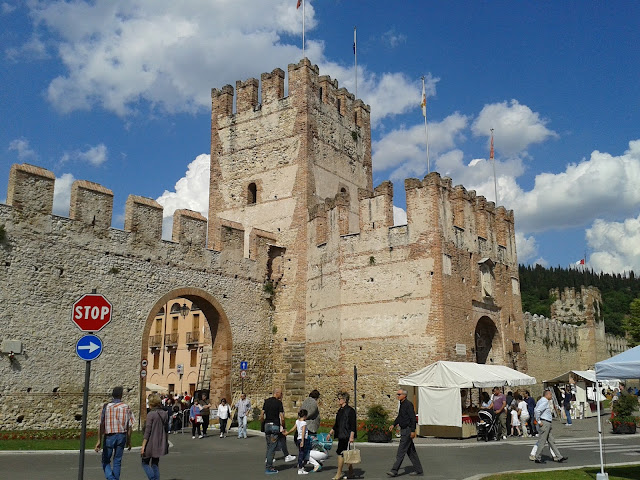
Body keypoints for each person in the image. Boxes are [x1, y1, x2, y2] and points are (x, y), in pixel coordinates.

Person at [94, 386, 135, 480]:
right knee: (117, 461)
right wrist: (129, 440)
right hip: (122, 435)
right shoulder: (126, 407)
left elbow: (100, 424)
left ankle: (111, 478)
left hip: (109, 436)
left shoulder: (106, 407)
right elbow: (130, 425)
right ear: (121, 395)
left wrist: (99, 440)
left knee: (105, 460)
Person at [386, 388, 423, 477]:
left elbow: (413, 418)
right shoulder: (402, 404)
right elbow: (400, 416)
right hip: (404, 429)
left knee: (401, 451)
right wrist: (393, 424)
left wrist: (413, 431)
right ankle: (419, 470)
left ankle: (394, 470)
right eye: (397, 394)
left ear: (404, 395)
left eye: (399, 394)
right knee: (411, 452)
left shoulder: (408, 405)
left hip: (407, 430)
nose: (397, 396)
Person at [261, 388, 296, 474]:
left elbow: (262, 415)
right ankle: (269, 467)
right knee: (272, 448)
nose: (282, 395)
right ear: (277, 393)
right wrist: (283, 427)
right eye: (281, 393)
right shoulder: (278, 403)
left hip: (267, 425)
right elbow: (282, 417)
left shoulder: (266, 402)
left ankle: (268, 462)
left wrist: (263, 424)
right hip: (275, 426)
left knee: (269, 446)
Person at [531, 389, 567, 464]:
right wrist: (539, 421)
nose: (551, 396)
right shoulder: (544, 401)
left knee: (551, 441)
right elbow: (537, 410)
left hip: (546, 422)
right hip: (545, 422)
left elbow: (535, 409)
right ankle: (538, 457)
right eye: (550, 395)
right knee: (542, 441)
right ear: (546, 395)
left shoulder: (540, 401)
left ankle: (559, 456)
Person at [328, 391, 357, 480]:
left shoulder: (350, 411)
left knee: (341, 453)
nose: (338, 400)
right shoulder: (340, 411)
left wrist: (351, 436)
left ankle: (339, 473)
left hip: (346, 435)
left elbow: (353, 425)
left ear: (344, 400)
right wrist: (330, 432)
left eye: (339, 399)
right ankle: (351, 472)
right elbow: (337, 424)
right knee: (346, 454)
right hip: (341, 434)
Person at [141, 394, 169, 480]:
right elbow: (166, 429)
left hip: (150, 443)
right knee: (155, 463)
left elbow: (147, 431)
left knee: (144, 463)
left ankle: (152, 478)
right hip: (160, 441)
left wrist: (143, 446)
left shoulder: (151, 414)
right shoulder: (164, 414)